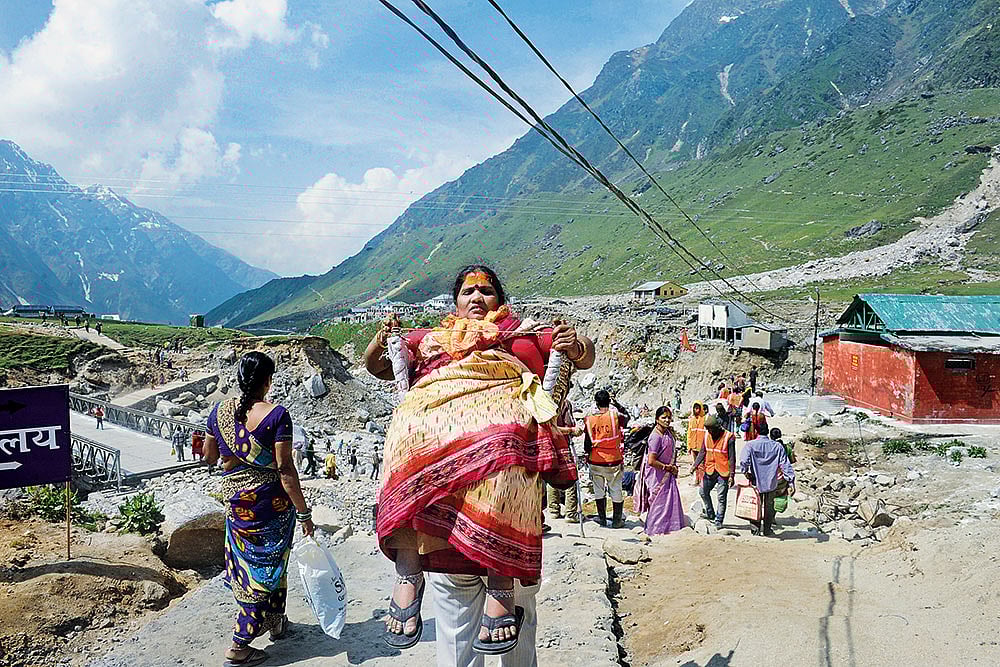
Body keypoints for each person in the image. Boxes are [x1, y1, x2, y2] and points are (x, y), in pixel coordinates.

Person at [364, 264, 593, 661]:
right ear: (455, 301)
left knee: (507, 440)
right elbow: (377, 365)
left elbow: (585, 356)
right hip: (445, 513)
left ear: (500, 300)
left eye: (487, 291)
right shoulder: (433, 337)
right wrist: (381, 340)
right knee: (406, 426)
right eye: (468, 291)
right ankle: (407, 566)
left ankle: (502, 580)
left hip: (508, 465)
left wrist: (574, 343)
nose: (477, 298)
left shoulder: (524, 334)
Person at [204, 351, 314, 666]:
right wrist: (304, 512)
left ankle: (277, 622)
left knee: (259, 568)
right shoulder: (277, 416)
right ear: (268, 381)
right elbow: (285, 469)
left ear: (240, 379)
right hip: (271, 507)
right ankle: (239, 645)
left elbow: (210, 458)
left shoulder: (218, 413)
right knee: (265, 573)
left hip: (237, 507)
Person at [634, 407, 685, 535]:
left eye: (669, 417)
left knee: (669, 502)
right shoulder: (655, 437)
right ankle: (654, 530)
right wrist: (667, 467)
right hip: (657, 475)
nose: (667, 420)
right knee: (658, 504)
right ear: (657, 420)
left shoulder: (667, 433)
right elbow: (651, 461)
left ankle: (670, 528)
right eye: (663, 417)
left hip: (667, 472)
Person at [584, 390, 630, 529]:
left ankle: (602, 519)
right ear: (609, 402)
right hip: (613, 460)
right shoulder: (615, 416)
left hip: (596, 460)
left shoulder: (589, 419)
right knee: (616, 489)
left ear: (596, 403)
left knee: (598, 490)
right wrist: (617, 404)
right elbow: (627, 418)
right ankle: (617, 521)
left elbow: (587, 444)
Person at [739, 427, 795, 537]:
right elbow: (785, 464)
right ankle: (767, 530)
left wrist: (745, 472)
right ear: (767, 432)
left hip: (756, 482)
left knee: (755, 506)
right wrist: (791, 481)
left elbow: (743, 461)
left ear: (757, 432)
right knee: (769, 507)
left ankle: (755, 530)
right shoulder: (777, 446)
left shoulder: (750, 445)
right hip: (771, 482)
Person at [692, 415, 736, 529]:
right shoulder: (707, 435)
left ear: (718, 427)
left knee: (721, 497)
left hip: (723, 471)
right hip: (710, 469)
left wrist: (732, 475)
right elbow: (702, 452)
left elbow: (732, 458)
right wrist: (694, 466)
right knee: (703, 492)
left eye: (712, 429)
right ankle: (711, 514)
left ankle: (719, 520)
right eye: (708, 429)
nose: (710, 432)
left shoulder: (728, 437)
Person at [548, 400, 583, 522]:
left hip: (548, 444)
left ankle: (553, 510)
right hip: (562, 443)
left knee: (552, 474)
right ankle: (570, 513)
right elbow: (569, 423)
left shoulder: (545, 400)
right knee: (570, 474)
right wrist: (572, 430)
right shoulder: (564, 403)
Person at [686, 402, 706, 487]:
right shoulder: (691, 420)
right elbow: (689, 433)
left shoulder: (704, 419)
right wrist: (689, 446)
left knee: (701, 465)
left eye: (698, 408)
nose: (696, 410)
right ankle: (696, 480)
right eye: (695, 408)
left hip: (701, 446)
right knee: (695, 464)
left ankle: (702, 481)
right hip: (693, 446)